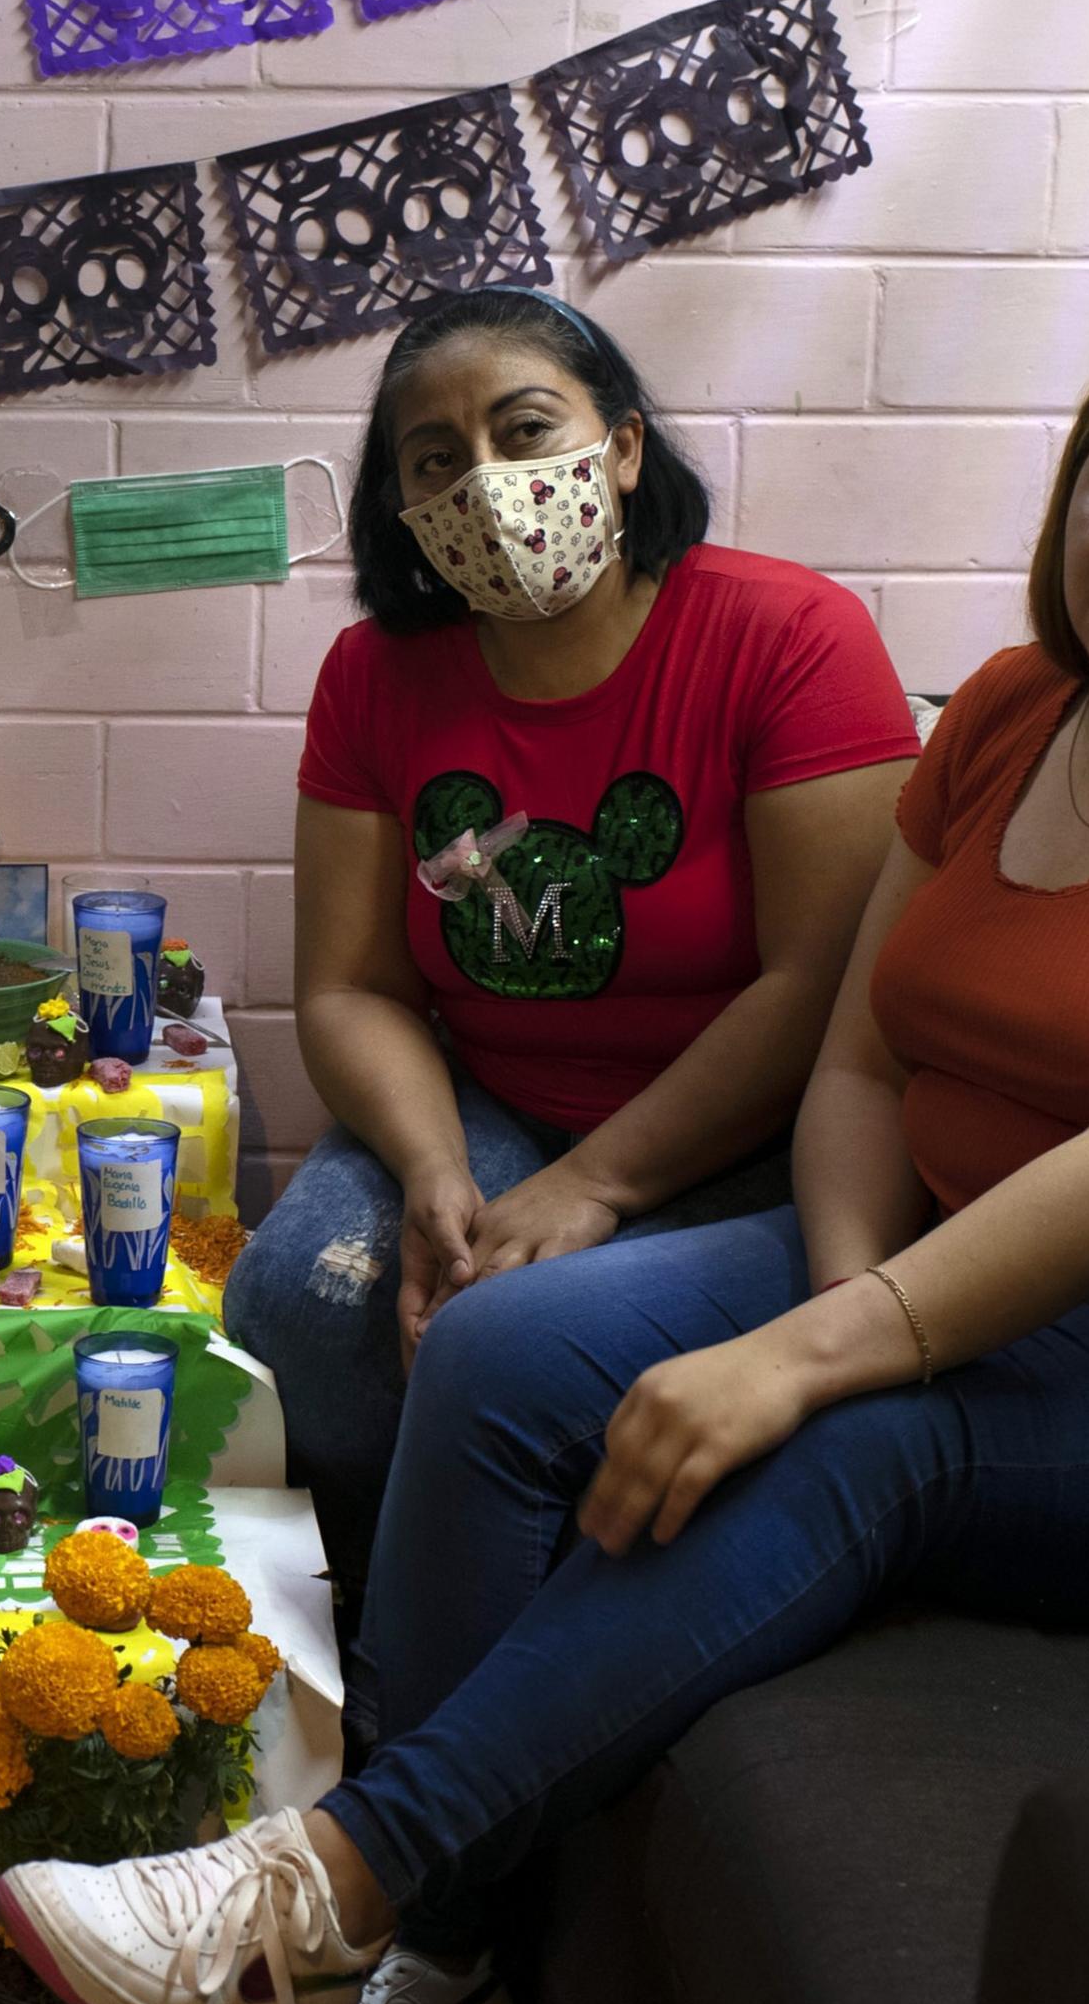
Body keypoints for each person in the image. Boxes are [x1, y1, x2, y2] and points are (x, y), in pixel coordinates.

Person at [2, 327, 1089, 2004]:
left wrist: (818, 1347)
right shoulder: (1017, 712)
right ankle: (457, 1988)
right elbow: (872, 1041)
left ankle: (331, 1891)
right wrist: (838, 1271)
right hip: (962, 1244)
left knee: (868, 1434)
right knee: (498, 1343)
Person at [227, 286, 919, 1620]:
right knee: (309, 1304)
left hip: (760, 1125)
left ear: (624, 446)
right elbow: (352, 985)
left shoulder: (789, 636)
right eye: (435, 458)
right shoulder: (377, 673)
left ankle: (516, 1666)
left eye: (525, 426)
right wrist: (435, 1170)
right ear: (401, 506)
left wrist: (598, 1183)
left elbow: (825, 991)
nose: (486, 483)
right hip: (494, 1098)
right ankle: (363, 1647)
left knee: (498, 1339)